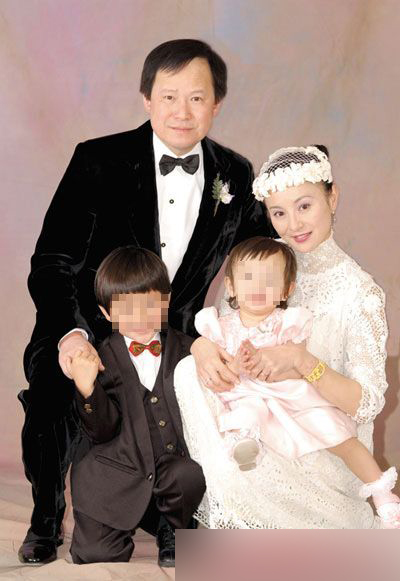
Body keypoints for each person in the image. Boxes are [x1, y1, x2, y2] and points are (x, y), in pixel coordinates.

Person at [18, 38, 272, 565]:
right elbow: (51, 261)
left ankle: (171, 514)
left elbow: (262, 255)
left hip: (177, 336)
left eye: (197, 98)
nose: (182, 112)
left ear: (217, 104)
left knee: (218, 399)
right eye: (169, 96)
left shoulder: (235, 174)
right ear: (146, 99)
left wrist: (217, 335)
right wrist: (71, 335)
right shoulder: (98, 160)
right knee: (51, 392)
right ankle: (45, 517)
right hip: (89, 322)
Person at [175, 145, 396, 529]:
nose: (293, 224)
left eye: (304, 206)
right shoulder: (260, 261)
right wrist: (202, 346)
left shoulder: (360, 294)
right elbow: (228, 327)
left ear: (332, 198)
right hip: (256, 425)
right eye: (279, 213)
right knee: (187, 372)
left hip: (322, 440)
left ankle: (324, 516)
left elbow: (364, 405)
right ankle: (243, 508)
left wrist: (301, 362)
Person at [67, 246, 205, 566]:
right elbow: (101, 432)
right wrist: (87, 389)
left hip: (173, 472)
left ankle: (174, 527)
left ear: (166, 301)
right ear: (106, 314)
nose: (140, 318)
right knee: (96, 555)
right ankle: (142, 516)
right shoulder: (100, 358)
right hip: (117, 473)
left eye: (150, 305)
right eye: (126, 309)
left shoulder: (188, 349)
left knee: (187, 474)